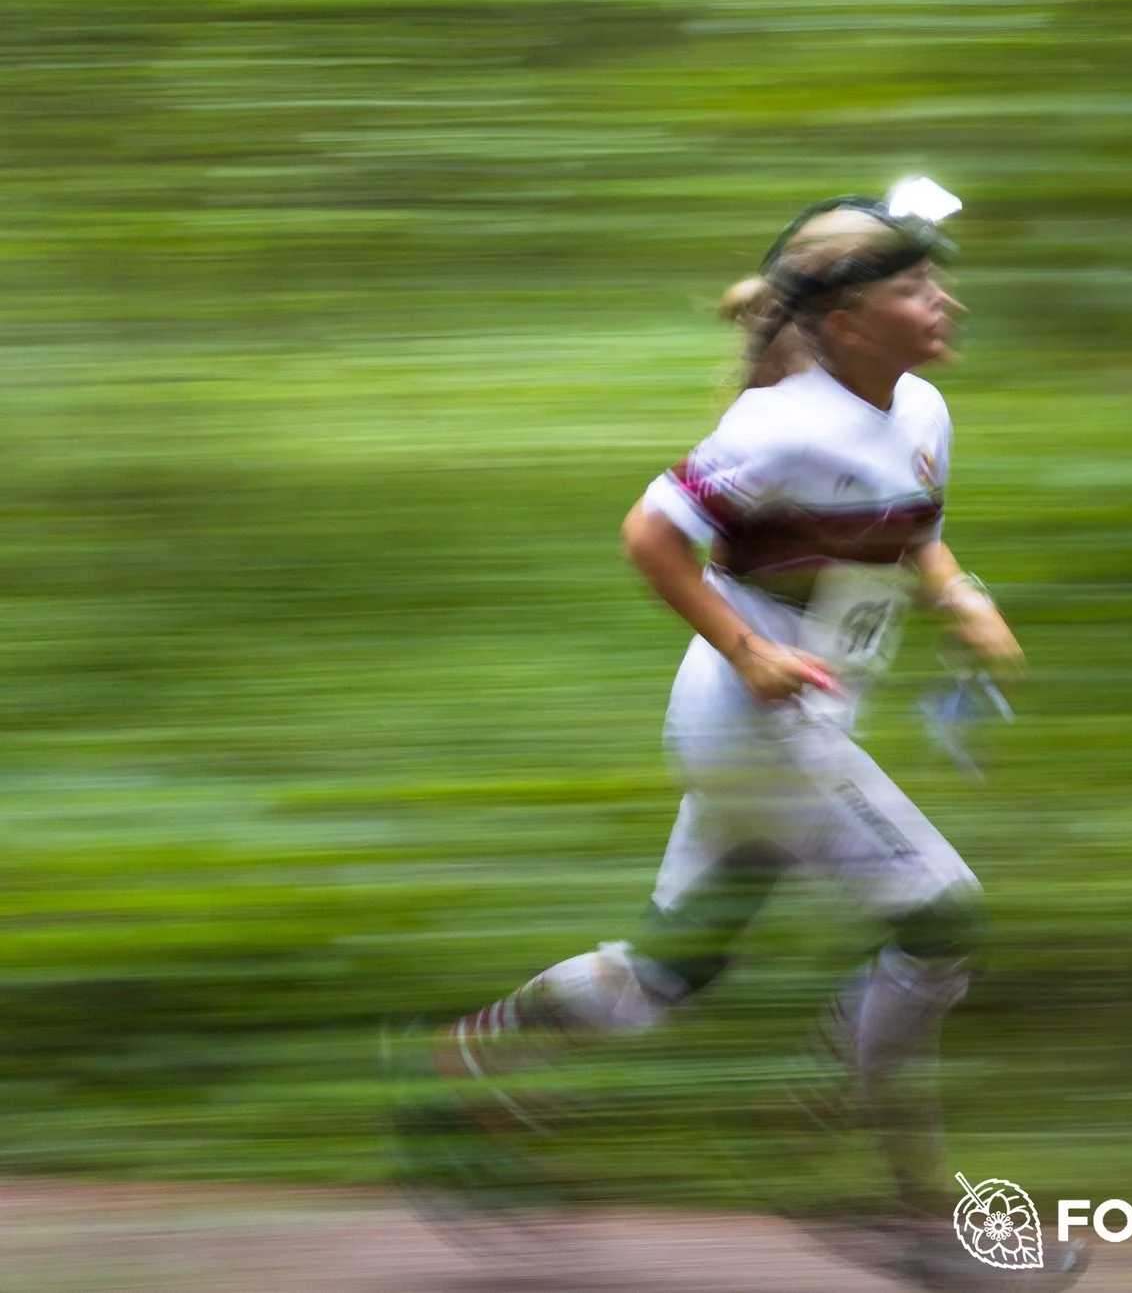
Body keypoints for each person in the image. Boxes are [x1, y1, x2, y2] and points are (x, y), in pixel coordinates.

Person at [398, 186, 1078, 1287]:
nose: (944, 300)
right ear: (847, 321)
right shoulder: (781, 423)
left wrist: (961, 595)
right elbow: (650, 532)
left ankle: (469, 1060)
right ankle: (867, 1179)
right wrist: (750, 649)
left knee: (665, 972)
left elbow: (912, 532)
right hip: (763, 726)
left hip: (775, 727)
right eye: (913, 287)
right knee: (943, 921)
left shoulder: (916, 410)